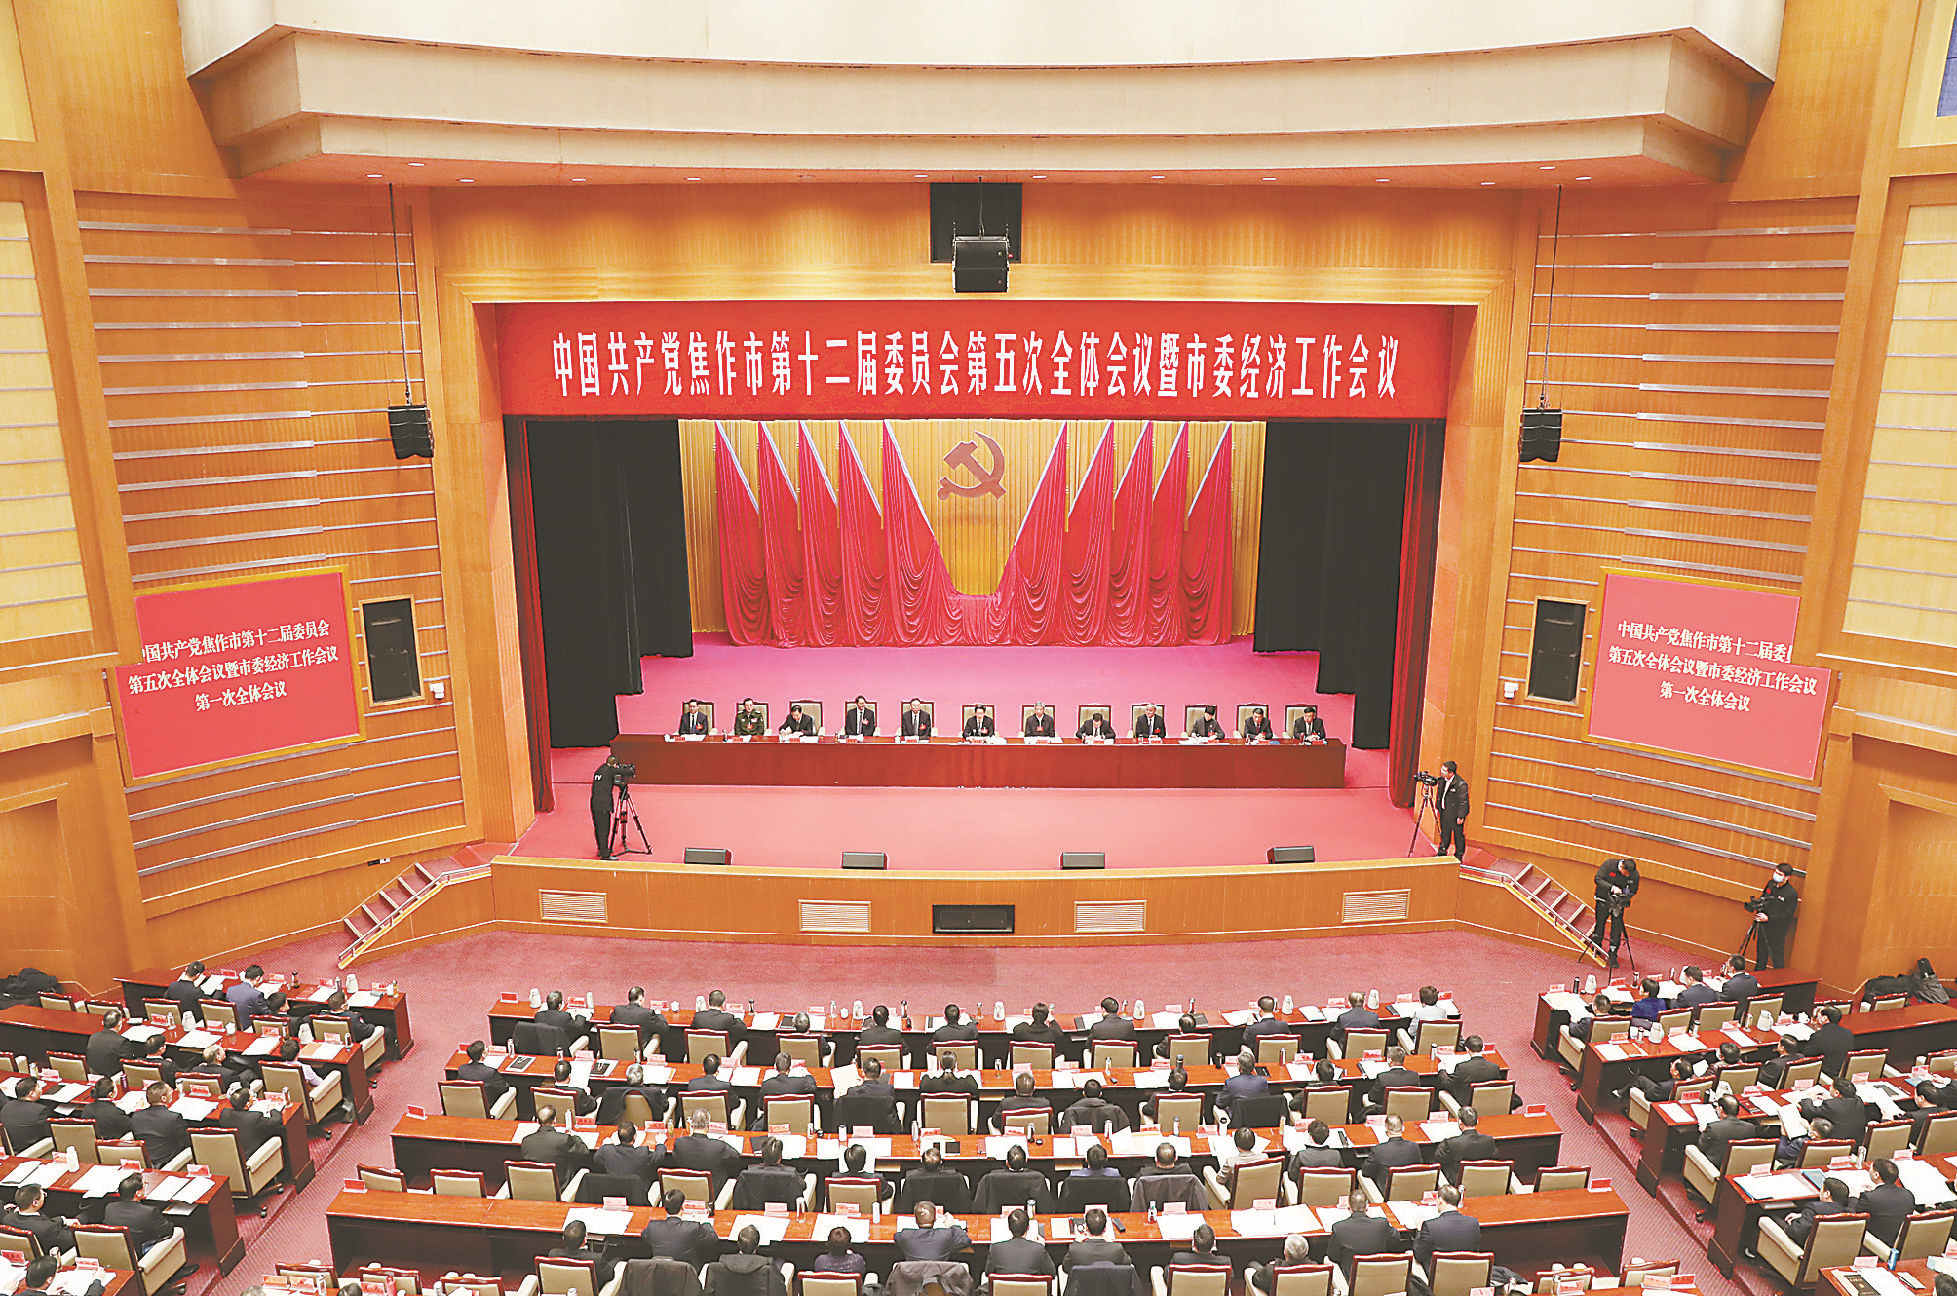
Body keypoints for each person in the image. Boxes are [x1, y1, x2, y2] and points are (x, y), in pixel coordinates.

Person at [1412, 1184, 1481, 1285]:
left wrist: (1419, 1231)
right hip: (1466, 1277)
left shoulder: (1430, 1226)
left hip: (1438, 1280)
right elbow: (1475, 1251)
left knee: (1411, 1258)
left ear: (1440, 1201)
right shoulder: (1473, 1223)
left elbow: (1418, 1255)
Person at [1327, 1187, 1402, 1278]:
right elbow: (1396, 1240)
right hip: (1380, 1276)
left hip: (1352, 1279)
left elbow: (1333, 1256)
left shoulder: (1338, 1228)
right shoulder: (1382, 1224)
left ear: (1349, 1207)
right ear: (1367, 1206)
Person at [641, 1188, 722, 1270]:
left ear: (665, 1207)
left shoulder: (652, 1227)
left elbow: (644, 1236)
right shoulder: (693, 1228)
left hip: (660, 1272)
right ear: (683, 1207)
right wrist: (706, 1222)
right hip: (687, 1274)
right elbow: (713, 1238)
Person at [670, 1109, 743, 1190]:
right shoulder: (718, 1146)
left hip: (685, 1191)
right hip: (712, 1193)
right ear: (708, 1126)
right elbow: (737, 1157)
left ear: (691, 1125)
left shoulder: (679, 1143)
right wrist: (724, 1143)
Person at [706, 1224, 787, 1296]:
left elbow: (708, 1293)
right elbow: (780, 1291)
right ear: (757, 1246)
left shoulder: (714, 1268)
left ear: (738, 1244)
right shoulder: (769, 1268)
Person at [103, 1172, 171, 1257]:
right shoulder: (149, 1211)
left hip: (117, 1251)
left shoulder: (110, 1207)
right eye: (145, 1185)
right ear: (137, 1193)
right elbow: (167, 1231)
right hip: (141, 1253)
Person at [521, 1104, 595, 1179]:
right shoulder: (563, 1139)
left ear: (537, 1121)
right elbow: (584, 1151)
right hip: (560, 1184)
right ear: (555, 1120)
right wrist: (575, 1137)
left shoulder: (526, 1141)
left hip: (533, 1183)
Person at [975, 1144, 1055, 1213]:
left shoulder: (989, 1177)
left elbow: (978, 1207)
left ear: (1007, 1163)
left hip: (996, 1217)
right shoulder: (1038, 1178)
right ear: (1026, 1161)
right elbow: (1047, 1208)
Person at [730, 1138, 805, 1211]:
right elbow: (802, 1186)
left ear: (762, 1155)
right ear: (780, 1157)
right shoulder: (792, 1174)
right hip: (787, 1215)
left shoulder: (746, 1174)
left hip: (753, 1216)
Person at [1856, 1158, 1916, 1246]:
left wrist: (1855, 1196)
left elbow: (1857, 1217)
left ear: (1876, 1175)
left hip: (1878, 1243)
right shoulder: (1908, 1195)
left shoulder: (1869, 1198)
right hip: (1901, 1241)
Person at [1798, 1069, 1868, 1144]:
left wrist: (1808, 1097)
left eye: (1831, 1087)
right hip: (1854, 1144)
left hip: (1835, 1144)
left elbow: (1809, 1111)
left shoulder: (1831, 1106)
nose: (1829, 1088)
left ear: (1837, 1093)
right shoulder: (1859, 1101)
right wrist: (1832, 1099)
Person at [1750, 865, 1800, 970]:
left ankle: (1779, 978)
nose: (1776, 875)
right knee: (1761, 955)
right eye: (1776, 872)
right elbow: (1764, 898)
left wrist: (1769, 918)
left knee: (1777, 958)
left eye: (1780, 874)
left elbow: (1787, 914)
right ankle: (1758, 975)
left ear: (1787, 877)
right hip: (1763, 925)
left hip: (1777, 930)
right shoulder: (1770, 884)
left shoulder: (1791, 893)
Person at [131, 1081, 190, 1168]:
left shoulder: (136, 1116)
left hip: (145, 1161)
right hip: (167, 1161)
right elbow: (185, 1143)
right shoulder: (174, 1117)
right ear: (164, 1098)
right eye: (170, 1092)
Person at [897, 1144, 972, 1213]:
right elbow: (965, 1205)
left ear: (921, 1161)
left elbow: (905, 1207)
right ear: (941, 1162)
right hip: (950, 1216)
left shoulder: (910, 1179)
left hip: (921, 1216)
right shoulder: (957, 1178)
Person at [3, 1185, 74, 1258]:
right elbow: (73, 1239)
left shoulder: (7, 1220)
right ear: (35, 1203)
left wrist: (61, 1220)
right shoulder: (47, 1229)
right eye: (43, 1195)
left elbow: (42, 1222)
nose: (44, 1196)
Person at [1778, 1176, 1852, 1244]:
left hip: (1805, 1250)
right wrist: (1802, 1216)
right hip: (1835, 1250)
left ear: (1827, 1194)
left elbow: (1796, 1233)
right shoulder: (1850, 1213)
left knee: (1775, 1217)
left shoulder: (1814, 1208)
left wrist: (1794, 1221)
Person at [1588, 857, 1638, 959]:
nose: (1627, 876)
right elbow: (1597, 879)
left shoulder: (1634, 874)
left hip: (1618, 904)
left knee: (1616, 928)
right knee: (1600, 924)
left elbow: (1633, 890)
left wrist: (1626, 894)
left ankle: (1613, 953)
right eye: (1626, 874)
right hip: (1603, 899)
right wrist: (1612, 887)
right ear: (1622, 867)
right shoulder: (1609, 864)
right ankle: (1596, 947)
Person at [985, 1208, 1056, 1280]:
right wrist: (1041, 1246)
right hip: (1030, 1287)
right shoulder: (1039, 1249)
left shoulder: (995, 1248)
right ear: (1028, 1228)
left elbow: (988, 1273)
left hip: (1002, 1287)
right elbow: (1052, 1273)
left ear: (1009, 1227)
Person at [754, 1053, 818, 1128]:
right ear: (789, 1067)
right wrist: (805, 1072)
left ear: (775, 1067)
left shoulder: (766, 1085)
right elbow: (813, 1086)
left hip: (774, 1127)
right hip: (798, 1124)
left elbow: (761, 1107)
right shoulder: (801, 1083)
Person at [551, 1218, 619, 1288]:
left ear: (563, 1238)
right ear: (585, 1240)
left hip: (562, 1290)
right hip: (594, 1291)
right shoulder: (596, 1259)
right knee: (618, 1260)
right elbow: (610, 1275)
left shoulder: (553, 1255)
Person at [892, 1201, 970, 1263]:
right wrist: (953, 1225)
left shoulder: (905, 1235)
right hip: (940, 1276)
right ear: (935, 1219)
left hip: (912, 1277)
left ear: (915, 1221)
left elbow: (896, 1237)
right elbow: (965, 1241)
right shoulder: (946, 1235)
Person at [1436, 1107, 1499, 1183]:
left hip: (1459, 1184)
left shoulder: (1450, 1143)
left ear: (1460, 1122)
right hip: (1484, 1181)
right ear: (1477, 1121)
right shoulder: (1489, 1140)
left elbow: (1439, 1159)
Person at [840, 1059, 902, 1133]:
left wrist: (859, 1086)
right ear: (880, 1074)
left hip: (858, 1131)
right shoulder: (888, 1090)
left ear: (863, 1073)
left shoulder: (852, 1091)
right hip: (883, 1131)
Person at [594, 1121, 661, 1188]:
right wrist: (660, 1143)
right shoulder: (642, 1153)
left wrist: (607, 1146)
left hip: (612, 1190)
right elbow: (658, 1156)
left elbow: (596, 1159)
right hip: (636, 1192)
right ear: (635, 1136)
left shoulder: (606, 1150)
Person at [218, 1085, 282, 1154]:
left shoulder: (224, 1113)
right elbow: (277, 1120)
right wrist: (272, 1109)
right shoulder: (254, 1117)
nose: (253, 1099)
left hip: (232, 1152)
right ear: (247, 1104)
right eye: (252, 1098)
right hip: (251, 1154)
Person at [1363, 1115, 1421, 1190]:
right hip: (1411, 1190)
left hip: (1386, 1194)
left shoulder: (1378, 1150)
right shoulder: (1414, 1147)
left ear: (1386, 1131)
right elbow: (1418, 1169)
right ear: (1403, 1128)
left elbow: (1366, 1172)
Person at [85, 1009, 144, 1080]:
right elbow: (129, 1064)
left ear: (103, 1022)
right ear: (119, 1024)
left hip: (95, 1075)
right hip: (113, 1077)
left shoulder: (93, 1036)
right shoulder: (122, 1041)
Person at [1697, 1095, 1757, 1164]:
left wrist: (1703, 1132)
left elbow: (1701, 1147)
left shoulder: (1713, 1128)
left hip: (1714, 1167)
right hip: (1739, 1165)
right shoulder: (1751, 1128)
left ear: (1721, 1109)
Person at [1063, 1208, 1129, 1271]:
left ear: (1086, 1229)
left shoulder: (1074, 1249)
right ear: (1105, 1229)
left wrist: (1077, 1242)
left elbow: (1065, 1268)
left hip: (1082, 1279)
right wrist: (1111, 1242)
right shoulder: (1117, 1248)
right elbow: (1128, 1263)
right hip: (1109, 1279)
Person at [0, 1077, 52, 1153]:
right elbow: (49, 1134)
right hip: (29, 1151)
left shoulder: (7, 1106)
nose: (41, 1090)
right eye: (39, 1087)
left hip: (10, 1149)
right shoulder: (40, 1110)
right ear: (31, 1094)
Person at [1364, 1046, 1421, 1115]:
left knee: (1365, 1097)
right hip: (1409, 1110)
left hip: (1387, 1112)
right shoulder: (1414, 1076)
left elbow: (1372, 1097)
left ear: (1389, 1060)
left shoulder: (1382, 1077)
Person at [610, 986, 669, 1052]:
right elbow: (664, 1028)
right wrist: (658, 1014)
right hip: (637, 1052)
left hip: (617, 1050)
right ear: (641, 998)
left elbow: (612, 1021)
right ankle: (645, 1057)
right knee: (656, 1036)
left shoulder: (617, 1010)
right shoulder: (647, 1013)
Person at [226, 965, 285, 1030]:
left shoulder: (230, 989)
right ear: (258, 978)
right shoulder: (256, 994)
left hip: (233, 1025)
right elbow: (266, 1013)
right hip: (248, 1027)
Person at [457, 1040, 512, 1107]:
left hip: (466, 1105)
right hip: (487, 1107)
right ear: (483, 1054)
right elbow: (504, 1088)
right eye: (486, 1049)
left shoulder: (462, 1069)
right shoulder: (490, 1072)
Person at [1805, 1005, 1855, 1078]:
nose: (1817, 1018)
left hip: (1824, 1074)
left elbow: (1807, 1055)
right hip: (1841, 1071)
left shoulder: (1818, 1036)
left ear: (1824, 1018)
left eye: (1818, 1016)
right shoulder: (1848, 1033)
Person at [1060, 1079, 1127, 1133]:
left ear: (1084, 1093)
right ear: (1100, 1094)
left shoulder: (1070, 1111)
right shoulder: (1116, 1110)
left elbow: (1064, 1135)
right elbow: (1125, 1132)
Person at [1434, 760, 1471, 859]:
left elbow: (1464, 802)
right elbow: (1440, 795)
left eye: (1444, 770)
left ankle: (1458, 856)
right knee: (1444, 834)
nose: (1441, 772)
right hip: (1444, 812)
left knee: (1458, 836)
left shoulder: (1461, 784)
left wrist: (1461, 816)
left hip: (1455, 815)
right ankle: (1442, 852)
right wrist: (1438, 807)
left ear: (1451, 773)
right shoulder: (1442, 780)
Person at [804, 1227, 868, 1281]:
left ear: (828, 1244)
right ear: (849, 1245)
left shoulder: (820, 1261)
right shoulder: (858, 1260)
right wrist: (852, 1255)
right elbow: (862, 1274)